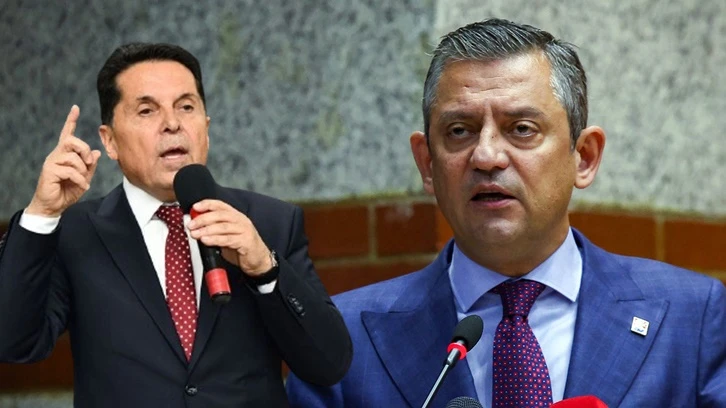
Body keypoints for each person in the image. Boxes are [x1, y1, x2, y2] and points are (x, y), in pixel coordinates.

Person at [286, 18, 726, 407]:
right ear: (427, 164)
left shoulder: (692, 316)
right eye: (460, 131)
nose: (487, 156)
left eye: (521, 129)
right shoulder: (343, 336)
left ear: (585, 157)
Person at [0, 42, 352, 407]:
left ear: (206, 127)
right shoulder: (75, 233)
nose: (172, 124)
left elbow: (330, 364)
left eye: (186, 106)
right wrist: (41, 213)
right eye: (147, 110)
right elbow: (13, 342)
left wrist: (265, 269)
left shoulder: (268, 222)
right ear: (109, 141)